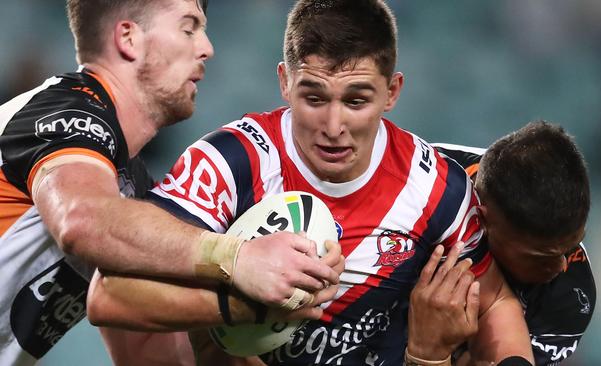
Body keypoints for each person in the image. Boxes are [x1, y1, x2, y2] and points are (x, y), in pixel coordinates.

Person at [88, 1, 536, 365]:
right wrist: (238, 300)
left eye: (357, 100)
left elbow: (494, 302)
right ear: (285, 82)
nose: (334, 125)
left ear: (392, 91)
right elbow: (110, 294)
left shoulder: (437, 188)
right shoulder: (230, 162)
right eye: (314, 97)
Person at [0, 1, 342, 365]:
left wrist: (254, 305)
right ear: (129, 39)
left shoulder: (127, 189)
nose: (206, 47)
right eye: (188, 28)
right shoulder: (62, 115)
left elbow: (152, 352)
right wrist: (238, 258)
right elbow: (82, 220)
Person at [412, 121, 596, 365]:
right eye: (541, 256)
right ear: (483, 220)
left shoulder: (570, 295)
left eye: (572, 245)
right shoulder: (414, 183)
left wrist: (430, 356)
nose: (562, 265)